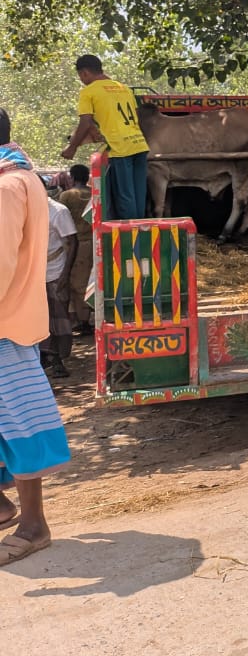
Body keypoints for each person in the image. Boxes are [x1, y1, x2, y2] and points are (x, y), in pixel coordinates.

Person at [0, 108, 72, 566]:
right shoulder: (21, 177)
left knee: (20, 419)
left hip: (4, 322)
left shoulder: (6, 187)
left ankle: (33, 526)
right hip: (14, 315)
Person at [61, 55, 149, 221]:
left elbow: (85, 122)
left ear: (85, 73)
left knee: (125, 198)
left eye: (80, 76)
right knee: (139, 196)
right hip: (139, 145)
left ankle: (128, 235)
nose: (81, 80)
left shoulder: (89, 92)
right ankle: (140, 230)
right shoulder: (124, 88)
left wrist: (71, 148)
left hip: (118, 148)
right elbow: (137, 117)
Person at [40, 195, 77, 379]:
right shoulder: (25, 208)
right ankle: (45, 358)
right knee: (40, 318)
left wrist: (65, 274)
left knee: (58, 317)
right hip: (34, 272)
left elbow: (73, 241)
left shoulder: (58, 211)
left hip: (56, 270)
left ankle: (57, 360)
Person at [57, 165, 94, 335]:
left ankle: (84, 322)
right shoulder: (94, 194)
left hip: (76, 244)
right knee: (88, 280)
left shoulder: (67, 196)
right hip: (93, 241)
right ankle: (85, 318)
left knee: (78, 283)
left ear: (72, 177)